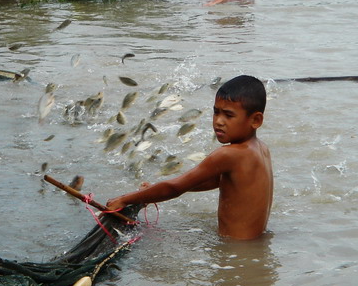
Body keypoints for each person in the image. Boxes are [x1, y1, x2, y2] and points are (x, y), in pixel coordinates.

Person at [107, 75, 273, 240]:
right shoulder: (261, 149)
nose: (219, 121)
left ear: (256, 120)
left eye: (228, 115)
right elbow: (219, 181)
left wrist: (124, 200)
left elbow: (175, 188)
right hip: (254, 245)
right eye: (216, 112)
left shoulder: (229, 154)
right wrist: (152, 192)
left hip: (234, 252)